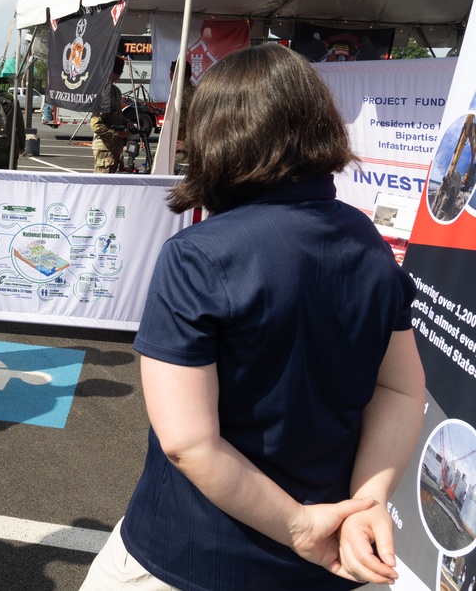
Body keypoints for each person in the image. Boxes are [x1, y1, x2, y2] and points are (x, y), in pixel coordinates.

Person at [80, 44, 426, 590]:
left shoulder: (198, 255)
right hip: (332, 563)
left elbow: (187, 442)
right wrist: (365, 503)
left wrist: (300, 526)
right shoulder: (367, 242)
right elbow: (404, 392)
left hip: (192, 556)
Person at [91, 57, 128, 173]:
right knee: (102, 184)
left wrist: (127, 123)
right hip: (105, 148)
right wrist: (117, 135)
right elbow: (96, 124)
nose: (120, 76)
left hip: (115, 148)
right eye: (119, 73)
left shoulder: (115, 91)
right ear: (112, 72)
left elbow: (117, 115)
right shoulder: (103, 92)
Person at [168, 59, 196, 172]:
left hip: (185, 155)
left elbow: (199, 122)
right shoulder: (180, 93)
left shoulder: (189, 93)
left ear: (173, 75)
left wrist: (186, 145)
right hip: (180, 151)